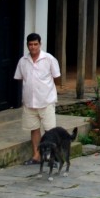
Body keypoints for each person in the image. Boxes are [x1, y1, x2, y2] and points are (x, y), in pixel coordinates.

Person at [14, 32, 61, 165]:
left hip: (46, 101)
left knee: (50, 131)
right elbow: (20, 78)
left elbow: (57, 78)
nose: (33, 47)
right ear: (27, 46)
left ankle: (53, 156)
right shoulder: (23, 61)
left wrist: (48, 91)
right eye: (30, 45)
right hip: (30, 102)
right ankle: (37, 155)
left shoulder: (49, 59)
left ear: (40, 44)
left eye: (35, 44)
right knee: (34, 129)